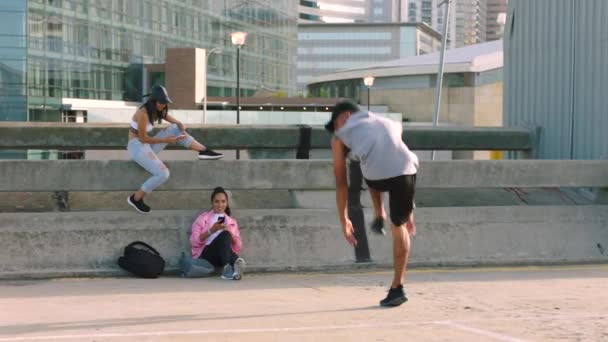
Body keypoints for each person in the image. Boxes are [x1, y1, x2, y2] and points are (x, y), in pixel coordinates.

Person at [325, 100, 419, 307]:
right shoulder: (389, 122)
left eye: (336, 125)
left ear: (345, 117)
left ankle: (380, 212)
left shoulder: (340, 137)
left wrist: (344, 219)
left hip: (377, 176)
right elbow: (394, 154)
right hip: (408, 170)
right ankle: (397, 287)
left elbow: (341, 182)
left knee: (367, 166)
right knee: (399, 227)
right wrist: (408, 209)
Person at [127, 85, 224, 213]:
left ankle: (203, 151)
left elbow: (166, 116)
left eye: (165, 102)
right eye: (161, 102)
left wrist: (178, 123)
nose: (163, 105)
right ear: (154, 101)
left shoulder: (155, 109)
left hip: (146, 146)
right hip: (136, 147)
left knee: (174, 128)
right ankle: (136, 198)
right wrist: (166, 140)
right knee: (163, 174)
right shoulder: (143, 113)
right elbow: (143, 138)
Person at [189, 187, 245, 280]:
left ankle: (233, 270)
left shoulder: (231, 222)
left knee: (226, 235)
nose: (220, 205)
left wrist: (230, 233)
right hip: (208, 255)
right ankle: (232, 265)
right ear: (212, 203)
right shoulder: (203, 218)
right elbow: (193, 241)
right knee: (225, 236)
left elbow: (238, 246)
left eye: (223, 201)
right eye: (217, 201)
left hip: (223, 254)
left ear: (227, 203)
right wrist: (211, 230)